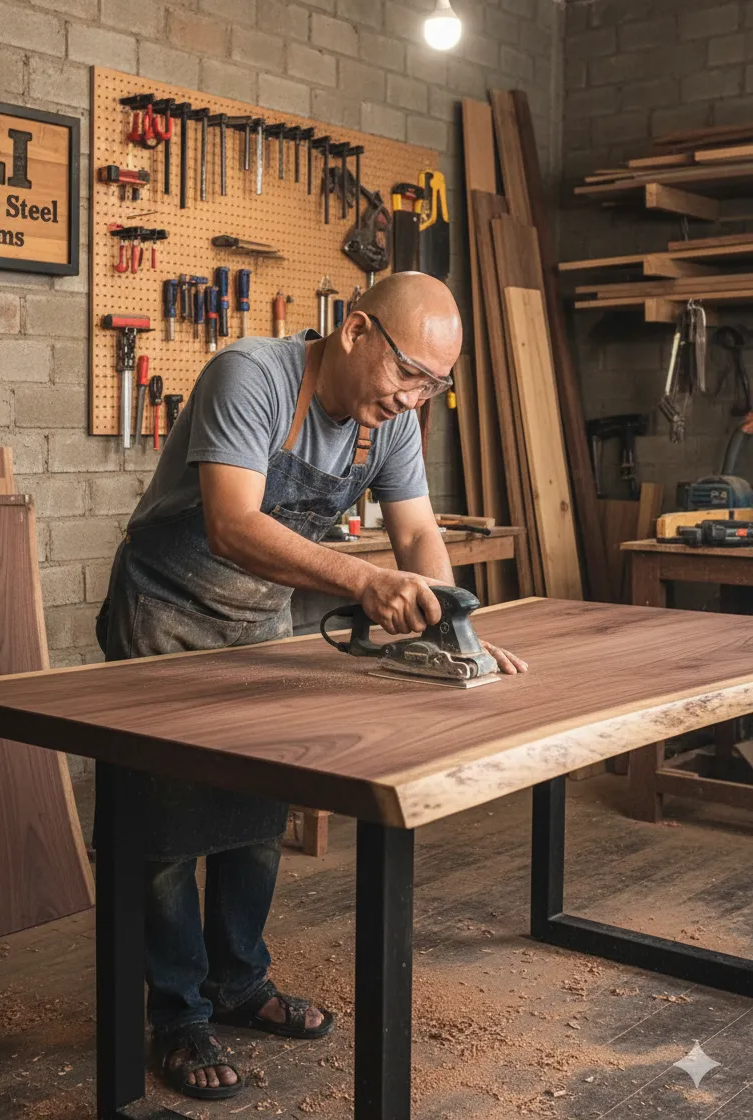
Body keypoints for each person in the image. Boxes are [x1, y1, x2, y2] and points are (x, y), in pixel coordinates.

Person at [96, 271, 527, 1102]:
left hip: (259, 616)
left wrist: (453, 626)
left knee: (260, 811)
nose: (413, 398)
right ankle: (178, 1014)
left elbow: (418, 531)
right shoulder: (251, 375)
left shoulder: (389, 423)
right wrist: (363, 585)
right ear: (356, 330)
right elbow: (231, 523)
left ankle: (238, 984)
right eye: (408, 374)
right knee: (165, 831)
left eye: (434, 384)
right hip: (167, 615)